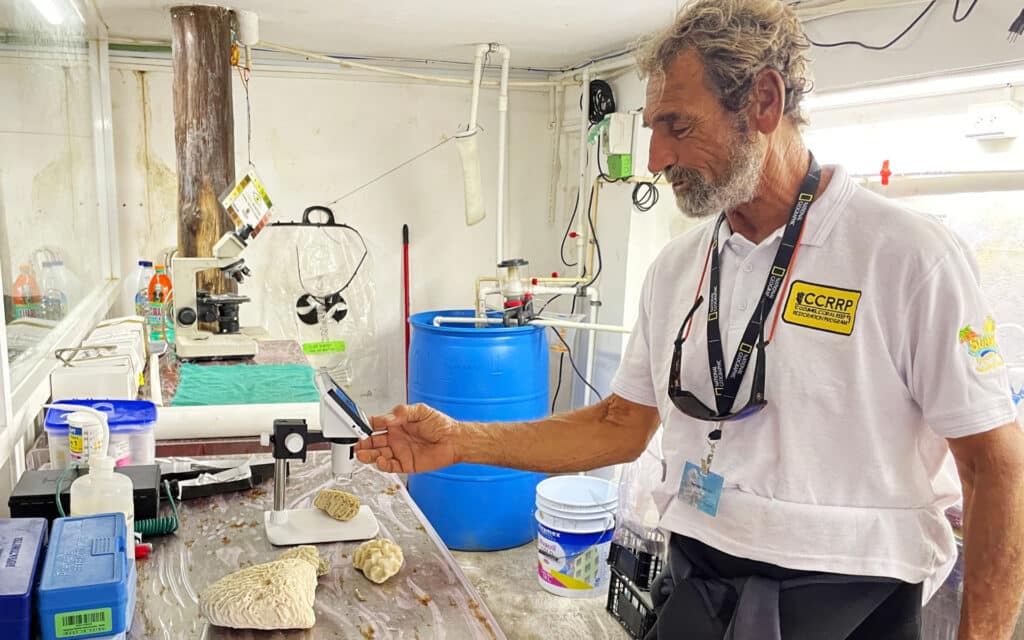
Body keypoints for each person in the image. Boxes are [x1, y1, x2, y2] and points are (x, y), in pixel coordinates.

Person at [355, 0, 1024, 637]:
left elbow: (995, 467)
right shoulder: (681, 269)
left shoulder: (906, 256)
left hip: (852, 596)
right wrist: (460, 441)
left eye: (678, 126)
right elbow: (621, 426)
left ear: (763, 101)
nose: (656, 159)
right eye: (653, 130)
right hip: (700, 575)